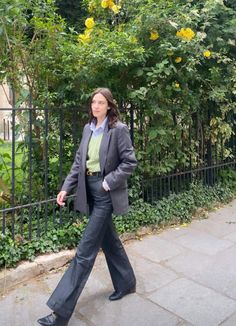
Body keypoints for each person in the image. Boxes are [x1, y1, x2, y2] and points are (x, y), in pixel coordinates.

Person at [37, 87, 137, 326]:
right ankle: (127, 283)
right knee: (110, 241)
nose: (96, 106)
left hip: (105, 195)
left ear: (109, 106)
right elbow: (79, 162)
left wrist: (107, 182)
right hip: (89, 192)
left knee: (84, 252)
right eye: (94, 102)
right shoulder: (88, 128)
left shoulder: (118, 130)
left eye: (101, 102)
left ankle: (60, 313)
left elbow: (129, 162)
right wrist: (65, 188)